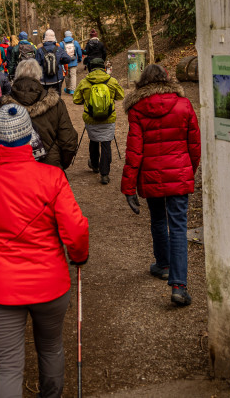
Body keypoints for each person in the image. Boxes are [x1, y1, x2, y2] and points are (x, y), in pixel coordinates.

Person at [0, 105, 89, 398]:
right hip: (50, 283)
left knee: (8, 366)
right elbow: (76, 230)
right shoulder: (53, 177)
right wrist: (79, 255)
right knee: (51, 347)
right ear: (28, 134)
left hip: (2, 287)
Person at [120, 64, 201, 307]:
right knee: (178, 226)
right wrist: (188, 171)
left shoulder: (137, 109)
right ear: (167, 80)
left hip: (151, 175)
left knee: (157, 219)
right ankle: (179, 285)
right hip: (179, 173)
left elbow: (134, 151)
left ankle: (163, 265)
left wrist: (128, 187)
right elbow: (194, 145)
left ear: (143, 83)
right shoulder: (183, 105)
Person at [0, 59, 77, 171]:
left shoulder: (0, 105)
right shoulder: (55, 103)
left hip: (12, 170)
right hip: (49, 168)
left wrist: (1, 165)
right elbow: (68, 140)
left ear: (17, 75)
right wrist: (60, 164)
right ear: (39, 76)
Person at [72, 57, 125, 185]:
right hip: (108, 118)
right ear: (104, 68)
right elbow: (121, 95)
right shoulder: (111, 81)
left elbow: (76, 100)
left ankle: (95, 165)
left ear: (90, 68)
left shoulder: (85, 82)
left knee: (94, 141)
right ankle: (105, 174)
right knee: (106, 144)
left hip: (91, 119)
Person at [35, 29, 72, 94]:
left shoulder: (40, 50)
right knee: (57, 98)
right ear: (54, 38)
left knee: (44, 98)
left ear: (45, 38)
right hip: (57, 79)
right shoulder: (59, 49)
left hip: (44, 80)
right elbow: (68, 59)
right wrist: (60, 61)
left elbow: (36, 64)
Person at [61, 30, 83, 95]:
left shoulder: (62, 43)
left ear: (65, 35)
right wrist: (79, 59)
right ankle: (73, 90)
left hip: (65, 62)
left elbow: (60, 53)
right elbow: (79, 52)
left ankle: (68, 89)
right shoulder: (75, 42)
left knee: (67, 76)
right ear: (71, 35)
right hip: (73, 61)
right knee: (73, 75)